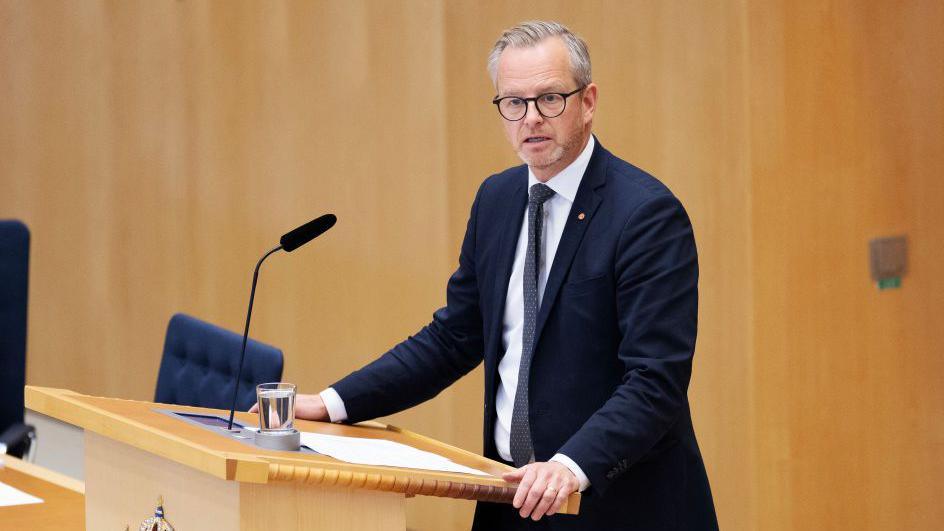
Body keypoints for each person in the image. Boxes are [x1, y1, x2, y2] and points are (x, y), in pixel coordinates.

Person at [265, 20, 718, 530]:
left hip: (614, 506)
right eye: (514, 103)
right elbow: (453, 338)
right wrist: (333, 404)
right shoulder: (497, 200)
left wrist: (570, 467)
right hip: (510, 500)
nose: (531, 119)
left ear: (588, 102)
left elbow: (655, 381)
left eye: (550, 99)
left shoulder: (645, 215)